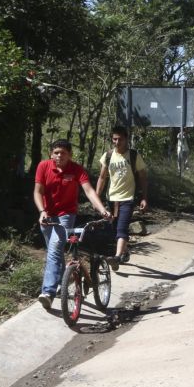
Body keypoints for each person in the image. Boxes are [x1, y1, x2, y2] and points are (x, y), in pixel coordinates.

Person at [34, 139, 111, 309]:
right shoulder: (43, 166)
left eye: (63, 153)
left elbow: (89, 191)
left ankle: (48, 292)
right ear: (50, 154)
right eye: (56, 152)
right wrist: (42, 211)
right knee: (56, 252)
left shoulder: (76, 169)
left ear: (70, 155)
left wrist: (102, 210)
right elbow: (38, 191)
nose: (59, 155)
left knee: (54, 248)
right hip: (46, 216)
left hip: (66, 215)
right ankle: (64, 284)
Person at [96, 126, 149, 271]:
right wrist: (96, 198)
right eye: (114, 139)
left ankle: (117, 257)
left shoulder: (133, 156)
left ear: (126, 139)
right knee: (114, 230)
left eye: (120, 139)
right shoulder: (107, 156)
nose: (117, 142)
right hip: (111, 199)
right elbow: (102, 177)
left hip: (128, 198)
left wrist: (144, 198)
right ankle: (124, 252)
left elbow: (143, 177)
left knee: (122, 228)